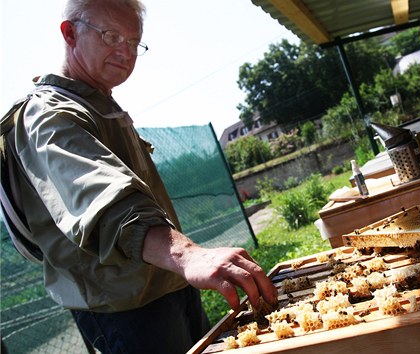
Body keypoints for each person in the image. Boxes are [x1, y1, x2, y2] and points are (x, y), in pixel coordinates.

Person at [5, 0, 277, 352]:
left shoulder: (100, 103)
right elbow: (107, 202)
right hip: (125, 309)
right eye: (111, 35)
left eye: (134, 43)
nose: (125, 51)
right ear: (69, 33)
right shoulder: (48, 116)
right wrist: (188, 256)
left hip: (171, 283)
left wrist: (183, 265)